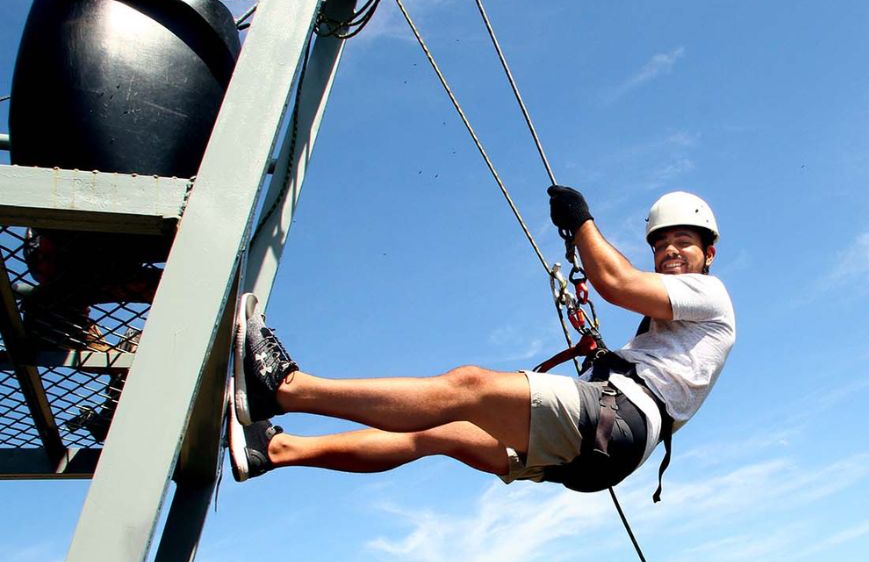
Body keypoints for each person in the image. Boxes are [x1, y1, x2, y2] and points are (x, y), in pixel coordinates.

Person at [227, 186, 735, 497]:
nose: (670, 251)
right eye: (661, 243)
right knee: (436, 431)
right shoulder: (670, 328)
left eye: (683, 243)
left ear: (708, 253)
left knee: (466, 385)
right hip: (608, 450)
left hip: (614, 423)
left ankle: (283, 388)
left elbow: (617, 283)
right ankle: (276, 451)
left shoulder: (711, 295)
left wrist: (581, 221)